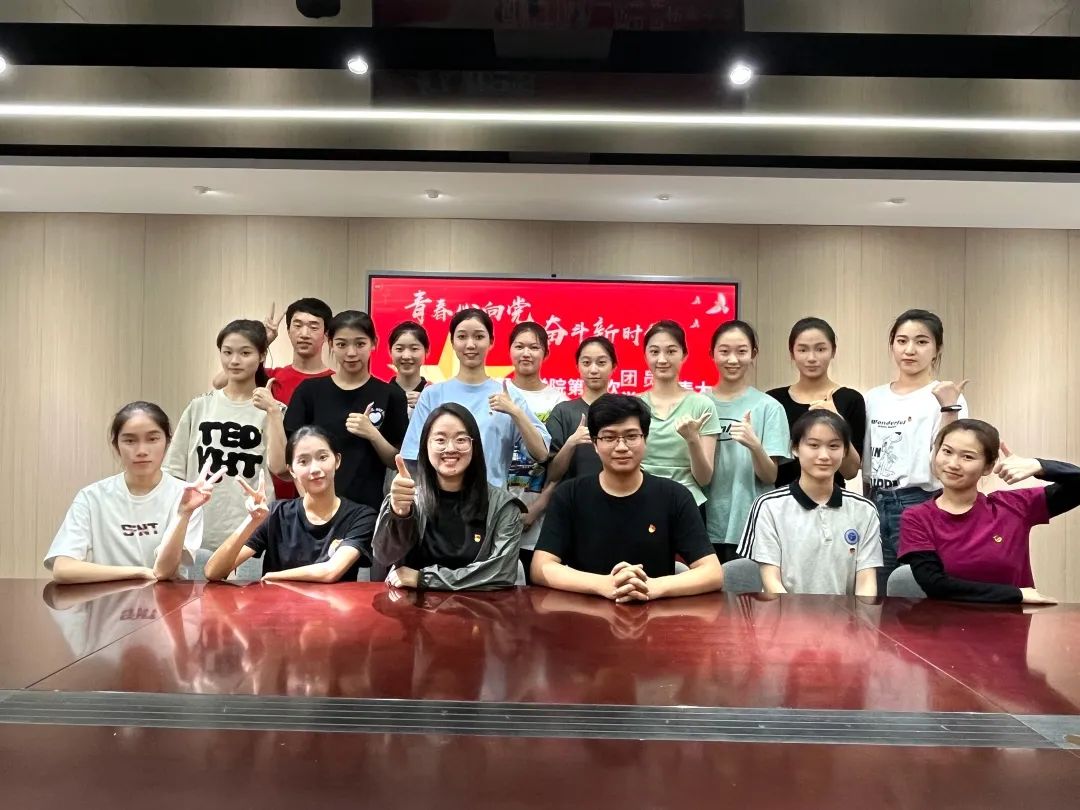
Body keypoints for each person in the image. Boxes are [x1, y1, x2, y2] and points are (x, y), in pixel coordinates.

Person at [531, 394, 724, 601]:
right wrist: (602, 585)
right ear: (595, 444)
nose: (621, 447)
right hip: (585, 612)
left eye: (631, 436)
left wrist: (652, 586)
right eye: (609, 437)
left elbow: (712, 573)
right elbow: (541, 567)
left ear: (645, 439)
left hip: (655, 614)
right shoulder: (569, 495)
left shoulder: (675, 496)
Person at [899, 419, 1078, 604]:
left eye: (967, 457)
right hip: (948, 620)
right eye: (947, 451)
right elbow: (935, 584)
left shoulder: (1013, 506)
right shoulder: (917, 518)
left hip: (1010, 620)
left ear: (988, 467)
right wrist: (1016, 594)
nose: (953, 464)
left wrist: (1040, 466)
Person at [45, 402, 214, 584]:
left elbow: (165, 571)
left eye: (152, 439)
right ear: (116, 445)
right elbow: (62, 569)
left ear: (167, 442)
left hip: (166, 599)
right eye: (130, 441)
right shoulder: (91, 497)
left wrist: (184, 513)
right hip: (108, 598)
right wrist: (137, 572)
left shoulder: (188, 496)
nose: (141, 451)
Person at [864, 309, 969, 591]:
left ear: (937, 349)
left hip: (919, 502)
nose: (909, 350)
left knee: (915, 593)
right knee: (875, 592)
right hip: (874, 502)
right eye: (902, 341)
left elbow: (948, 460)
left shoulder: (946, 396)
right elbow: (866, 460)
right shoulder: (873, 397)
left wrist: (949, 407)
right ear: (892, 345)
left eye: (921, 342)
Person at [165, 320, 277, 579]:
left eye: (245, 353)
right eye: (227, 352)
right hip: (197, 532)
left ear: (262, 355)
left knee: (246, 603)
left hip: (250, 534)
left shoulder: (273, 409)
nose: (234, 361)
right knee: (192, 602)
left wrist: (273, 410)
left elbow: (280, 468)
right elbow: (173, 471)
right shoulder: (199, 406)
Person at [374, 404, 526, 590]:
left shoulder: (503, 506)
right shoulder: (408, 498)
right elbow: (384, 557)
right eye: (440, 440)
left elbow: (502, 573)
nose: (451, 448)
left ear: (474, 446)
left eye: (461, 439)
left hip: (480, 606)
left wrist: (425, 579)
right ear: (425, 446)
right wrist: (399, 513)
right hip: (412, 605)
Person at [272, 310, 408, 512]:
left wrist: (373, 434)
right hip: (311, 509)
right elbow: (290, 457)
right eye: (342, 344)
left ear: (374, 343)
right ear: (330, 344)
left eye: (360, 344)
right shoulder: (309, 391)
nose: (351, 353)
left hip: (366, 511)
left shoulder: (391, 395)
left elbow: (397, 461)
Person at [400, 308, 550, 488]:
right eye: (462, 337)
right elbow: (412, 458)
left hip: (491, 499)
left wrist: (515, 412)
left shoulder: (508, 395)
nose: (470, 345)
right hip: (440, 500)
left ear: (491, 341)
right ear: (452, 342)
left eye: (479, 337)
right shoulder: (432, 395)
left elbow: (541, 454)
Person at [738, 411, 882, 597]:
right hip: (784, 613)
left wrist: (861, 615)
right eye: (814, 445)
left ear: (845, 451)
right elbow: (771, 581)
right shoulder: (768, 506)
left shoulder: (864, 510)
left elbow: (866, 583)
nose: (824, 455)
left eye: (834, 446)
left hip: (846, 615)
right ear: (795, 448)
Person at [205, 426, 375, 583]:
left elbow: (331, 571)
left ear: (337, 460)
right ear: (292, 470)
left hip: (334, 606)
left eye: (322, 457)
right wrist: (252, 521)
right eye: (303, 461)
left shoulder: (361, 516)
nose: (315, 469)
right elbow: (213, 572)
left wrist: (274, 576)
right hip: (277, 605)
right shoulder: (275, 513)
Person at [211, 299, 335, 500]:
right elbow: (219, 382)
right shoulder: (271, 377)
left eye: (313, 327)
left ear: (326, 334)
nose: (304, 333)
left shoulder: (334, 382)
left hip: (315, 485)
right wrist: (262, 342)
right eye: (297, 325)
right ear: (288, 331)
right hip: (269, 488)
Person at [704, 321, 790, 563]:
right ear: (712, 354)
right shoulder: (698, 403)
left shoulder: (769, 407)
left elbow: (770, 476)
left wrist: (754, 445)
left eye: (741, 351)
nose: (733, 359)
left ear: (753, 354)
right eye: (724, 351)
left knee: (744, 587)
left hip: (749, 521)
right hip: (703, 521)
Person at [767, 317, 866, 487]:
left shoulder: (851, 399)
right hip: (781, 499)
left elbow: (850, 472)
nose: (812, 358)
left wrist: (836, 419)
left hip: (831, 498)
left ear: (833, 351)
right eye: (803, 350)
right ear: (792, 353)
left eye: (820, 349)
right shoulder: (773, 401)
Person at [503, 321, 568, 577]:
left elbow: (562, 464)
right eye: (519, 346)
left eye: (534, 347)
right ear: (510, 350)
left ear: (546, 353)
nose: (526, 353)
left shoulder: (559, 401)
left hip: (541, 512)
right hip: (498, 508)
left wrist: (538, 507)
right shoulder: (498, 391)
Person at [638, 320, 720, 508]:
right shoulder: (634, 405)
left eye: (671, 351)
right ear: (645, 356)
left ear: (684, 354)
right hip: (639, 501)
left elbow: (704, 478)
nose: (662, 359)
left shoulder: (702, 405)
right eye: (654, 352)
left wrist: (692, 440)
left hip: (686, 503)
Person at [545, 336, 617, 485]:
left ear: (613, 366)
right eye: (586, 363)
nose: (593, 370)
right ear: (578, 366)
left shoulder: (624, 411)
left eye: (601, 363)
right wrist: (571, 443)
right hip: (571, 497)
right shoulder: (563, 412)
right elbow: (552, 474)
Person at [388, 320, 431, 417]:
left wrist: (427, 406)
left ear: (426, 352)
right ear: (390, 352)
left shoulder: (434, 395)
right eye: (399, 349)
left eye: (414, 349)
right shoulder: (381, 394)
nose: (406, 356)